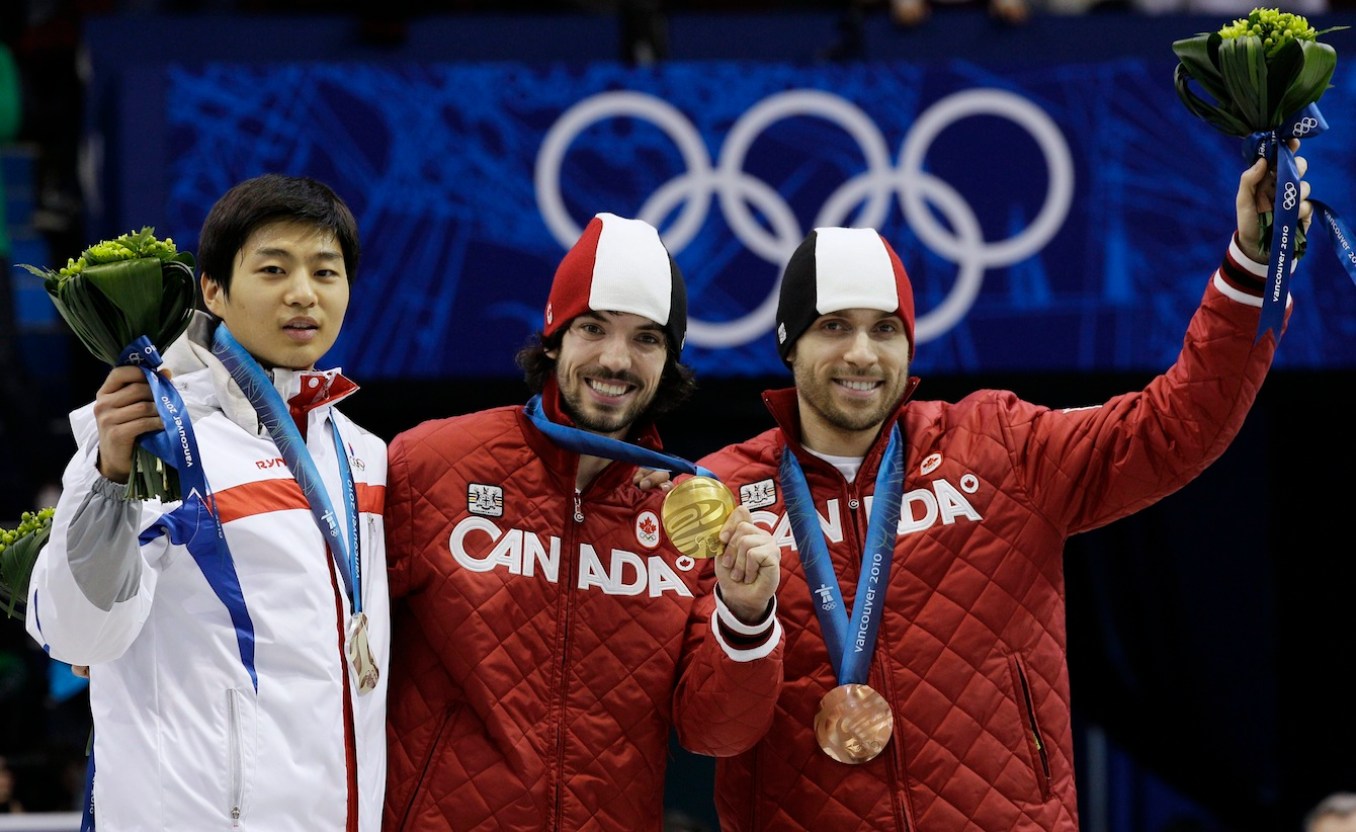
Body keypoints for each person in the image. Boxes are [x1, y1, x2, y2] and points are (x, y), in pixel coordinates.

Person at [696, 149, 1312, 830]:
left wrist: (1252, 269)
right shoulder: (721, 494)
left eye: (885, 329)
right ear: (790, 343)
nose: (863, 354)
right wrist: (743, 618)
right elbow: (706, 724)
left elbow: (1176, 425)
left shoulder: (999, 446)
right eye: (834, 327)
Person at [383, 211, 784, 831]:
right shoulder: (431, 464)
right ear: (553, 337)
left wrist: (747, 615)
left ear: (669, 359)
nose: (616, 360)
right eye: (593, 329)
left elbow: (716, 733)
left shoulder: (690, 515)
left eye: (646, 338)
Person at [24, 174, 388, 831]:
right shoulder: (149, 438)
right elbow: (78, 635)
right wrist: (108, 475)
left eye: (326, 271)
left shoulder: (364, 454)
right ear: (212, 290)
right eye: (273, 268)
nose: (303, 293)